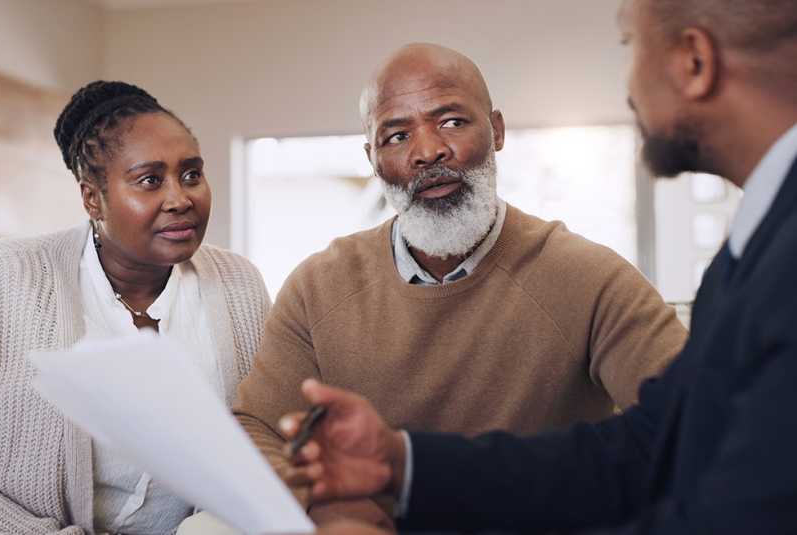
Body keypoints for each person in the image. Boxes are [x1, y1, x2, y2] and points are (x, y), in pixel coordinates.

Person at [279, 0, 797, 532]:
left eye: (628, 46)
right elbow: (653, 445)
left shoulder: (769, 263)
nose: (428, 151)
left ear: (694, 61)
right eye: (398, 134)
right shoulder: (750, 252)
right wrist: (400, 464)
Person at [234, 42, 687, 527]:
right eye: (396, 135)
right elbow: (256, 427)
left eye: (451, 121)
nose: (428, 152)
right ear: (372, 158)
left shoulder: (590, 278)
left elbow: (692, 422)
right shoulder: (317, 287)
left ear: (496, 131)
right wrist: (331, 508)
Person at [0, 81, 271, 534]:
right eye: (150, 180)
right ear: (91, 198)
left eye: (192, 174)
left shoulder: (238, 286)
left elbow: (264, 440)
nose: (180, 199)